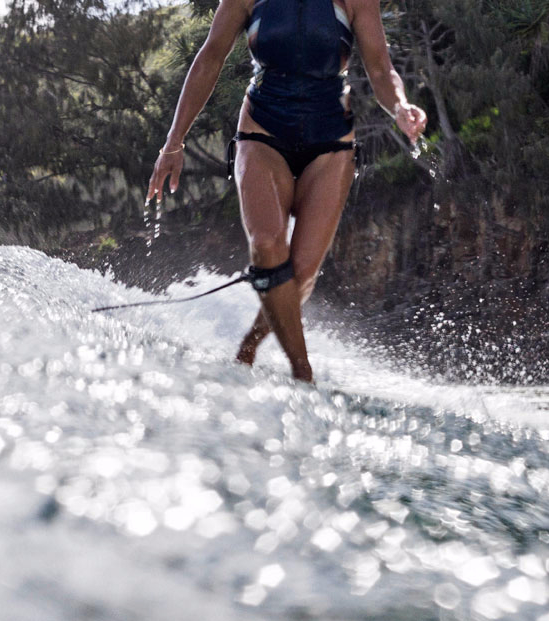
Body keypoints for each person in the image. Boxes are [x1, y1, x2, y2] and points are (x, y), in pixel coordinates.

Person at [146, 0, 426, 383]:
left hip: (330, 138)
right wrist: (173, 142)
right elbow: (209, 57)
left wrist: (401, 106)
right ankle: (302, 373)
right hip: (263, 128)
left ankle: (252, 342)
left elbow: (381, 68)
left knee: (302, 271)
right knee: (266, 245)